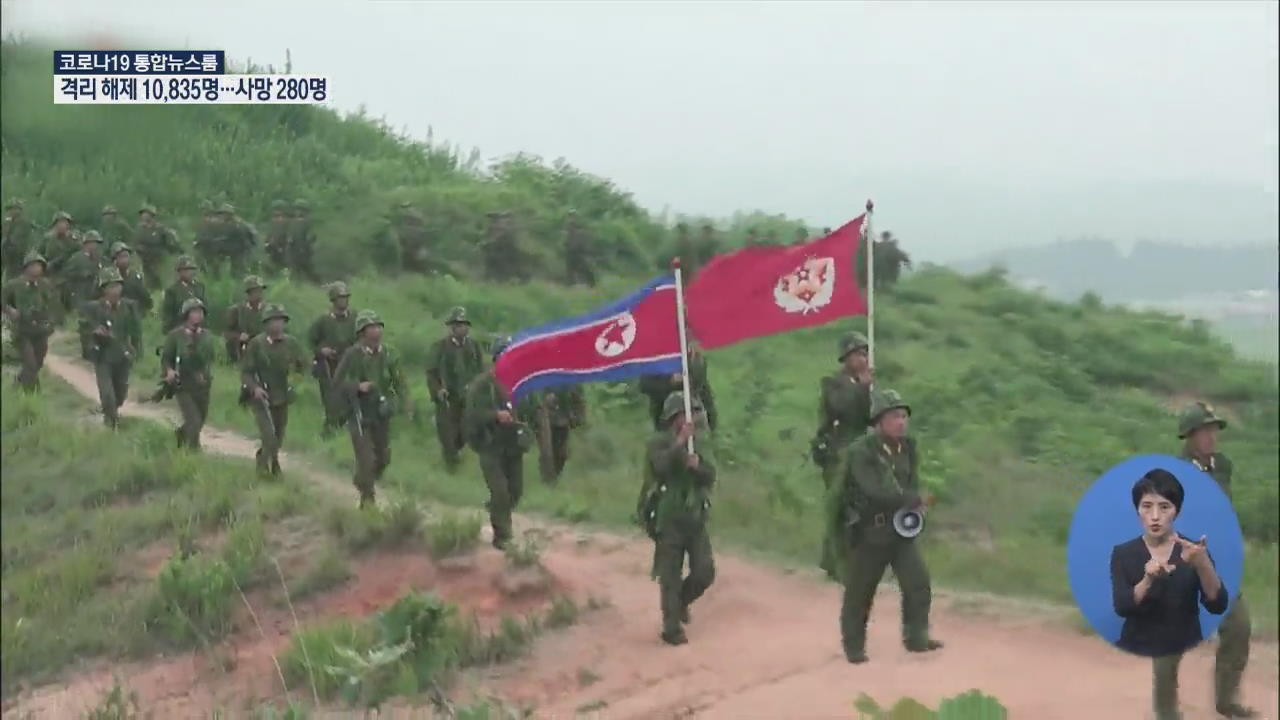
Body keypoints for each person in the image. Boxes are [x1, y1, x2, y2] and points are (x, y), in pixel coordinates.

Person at [1110, 468, 1229, 720]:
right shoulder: (1123, 553)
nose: (1155, 516)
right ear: (1137, 510)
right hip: (1138, 647)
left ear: (1177, 511)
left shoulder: (1194, 550)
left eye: (1164, 507)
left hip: (1184, 647)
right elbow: (1122, 606)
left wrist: (1203, 564)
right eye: (1146, 506)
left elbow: (1217, 605)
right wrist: (1148, 579)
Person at [836, 388, 942, 663]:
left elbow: (911, 482)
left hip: (900, 529)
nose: (901, 422)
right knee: (861, 590)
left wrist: (916, 506)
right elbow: (872, 491)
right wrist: (911, 499)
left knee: (918, 582)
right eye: (895, 416)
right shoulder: (862, 451)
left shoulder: (908, 447)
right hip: (870, 530)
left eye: (904, 416)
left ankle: (916, 637)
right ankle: (854, 647)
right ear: (879, 420)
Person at [1172, 402, 1255, 718]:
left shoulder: (1222, 466)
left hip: (1218, 563)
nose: (1211, 436)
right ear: (1189, 435)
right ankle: (1166, 709)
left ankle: (1227, 701)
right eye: (1204, 430)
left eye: (1213, 429)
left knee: (1238, 627)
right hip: (1183, 561)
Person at [638, 391, 716, 646]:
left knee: (704, 571)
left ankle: (681, 602)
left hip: (694, 516)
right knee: (669, 575)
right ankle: (671, 627)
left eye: (692, 413)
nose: (690, 418)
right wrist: (679, 444)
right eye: (685, 413)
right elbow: (659, 467)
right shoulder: (659, 443)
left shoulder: (699, 443)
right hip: (668, 517)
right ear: (673, 417)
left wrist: (698, 466)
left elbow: (710, 476)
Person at [464, 336, 536, 548]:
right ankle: (502, 536)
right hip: (490, 445)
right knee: (500, 491)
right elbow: (472, 414)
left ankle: (497, 510)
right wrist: (495, 415)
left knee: (516, 491)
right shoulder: (482, 385)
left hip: (513, 445)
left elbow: (532, 409)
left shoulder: (520, 383)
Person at [333, 310, 409, 508]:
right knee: (366, 459)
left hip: (381, 413)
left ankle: (363, 480)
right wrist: (357, 387)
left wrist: (405, 402)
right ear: (362, 333)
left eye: (378, 327)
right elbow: (337, 383)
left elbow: (399, 381)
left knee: (383, 457)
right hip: (359, 412)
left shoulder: (390, 353)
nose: (376, 332)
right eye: (370, 329)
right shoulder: (352, 355)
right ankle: (368, 502)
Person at [814, 332, 874, 581]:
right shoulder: (834, 384)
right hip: (837, 454)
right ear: (847, 358)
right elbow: (841, 408)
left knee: (860, 508)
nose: (864, 359)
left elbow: (870, 416)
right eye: (859, 354)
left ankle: (846, 561)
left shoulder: (865, 384)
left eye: (865, 354)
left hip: (860, 452)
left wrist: (869, 391)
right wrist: (862, 387)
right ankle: (836, 564)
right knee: (840, 508)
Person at [240, 303, 307, 477]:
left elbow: (303, 366)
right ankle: (265, 469)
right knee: (269, 435)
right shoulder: (257, 344)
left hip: (282, 396)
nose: (277, 325)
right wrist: (255, 388)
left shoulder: (291, 343)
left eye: (281, 321)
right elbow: (246, 372)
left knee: (279, 435)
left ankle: (271, 460)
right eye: (273, 321)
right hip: (261, 397)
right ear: (266, 323)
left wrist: (295, 383)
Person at [77, 267, 142, 429]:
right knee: (107, 394)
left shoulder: (129, 306)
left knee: (120, 393)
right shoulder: (93, 308)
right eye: (110, 286)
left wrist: (137, 350)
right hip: (103, 355)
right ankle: (111, 423)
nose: (115, 290)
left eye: (117, 285)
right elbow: (84, 328)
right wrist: (94, 332)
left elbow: (136, 331)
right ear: (103, 289)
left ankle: (112, 412)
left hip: (123, 355)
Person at [426, 306, 485, 472]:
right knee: (447, 435)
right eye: (457, 325)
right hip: (447, 398)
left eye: (464, 324)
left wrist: (478, 389)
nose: (461, 328)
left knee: (464, 434)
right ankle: (451, 469)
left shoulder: (474, 347)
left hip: (467, 398)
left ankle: (454, 459)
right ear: (451, 327)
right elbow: (431, 372)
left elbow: (481, 371)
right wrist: (437, 390)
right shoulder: (440, 347)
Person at [161, 298, 218, 450]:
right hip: (184, 384)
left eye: (200, 312)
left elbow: (210, 357)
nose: (198, 315)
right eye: (194, 312)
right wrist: (169, 371)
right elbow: (166, 358)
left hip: (203, 384)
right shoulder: (175, 336)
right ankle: (193, 451)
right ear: (186, 314)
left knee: (200, 420)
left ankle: (181, 435)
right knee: (194, 421)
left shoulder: (207, 336)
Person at [2, 251, 58, 392]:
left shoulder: (45, 285)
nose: (36, 269)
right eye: (33, 265)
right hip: (22, 329)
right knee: (30, 363)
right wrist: (10, 310)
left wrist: (51, 322)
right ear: (26, 267)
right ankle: (30, 394)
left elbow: (53, 304)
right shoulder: (14, 285)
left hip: (40, 330)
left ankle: (20, 380)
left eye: (39, 266)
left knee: (38, 362)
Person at [307, 281, 357, 436]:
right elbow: (310, 341)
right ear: (334, 300)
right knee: (331, 399)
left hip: (349, 364)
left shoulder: (355, 318)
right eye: (340, 298)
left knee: (350, 398)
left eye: (346, 297)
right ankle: (329, 431)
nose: (344, 301)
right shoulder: (323, 320)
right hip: (328, 365)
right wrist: (321, 350)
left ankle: (346, 428)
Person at [639, 343, 717, 432]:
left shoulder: (692, 354)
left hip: (695, 408)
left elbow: (700, 383)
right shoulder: (655, 357)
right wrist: (670, 382)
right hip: (665, 411)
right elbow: (645, 386)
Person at [536, 384, 586, 484]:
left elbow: (579, 401)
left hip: (563, 421)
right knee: (548, 451)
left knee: (562, 454)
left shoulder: (572, 383)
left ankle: (556, 474)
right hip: (547, 422)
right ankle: (548, 478)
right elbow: (539, 400)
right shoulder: (546, 381)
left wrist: (577, 417)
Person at [133, 204, 181, 290]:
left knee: (162, 279)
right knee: (149, 281)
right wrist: (138, 249)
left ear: (151, 215)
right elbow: (135, 242)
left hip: (159, 258)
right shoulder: (139, 228)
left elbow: (169, 242)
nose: (144, 216)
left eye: (146, 214)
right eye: (142, 214)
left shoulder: (160, 228)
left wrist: (174, 250)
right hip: (145, 259)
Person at [224, 275, 268, 363]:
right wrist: (239, 336)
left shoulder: (268, 310)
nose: (259, 294)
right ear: (248, 293)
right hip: (244, 346)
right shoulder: (236, 310)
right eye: (256, 291)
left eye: (260, 290)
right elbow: (227, 333)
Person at [61, 230, 106, 312]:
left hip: (94, 293)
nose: (96, 246)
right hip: (79, 293)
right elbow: (66, 274)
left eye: (97, 244)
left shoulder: (99, 259)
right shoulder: (76, 258)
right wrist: (81, 274)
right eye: (94, 243)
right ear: (87, 244)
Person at [160, 256, 207, 332]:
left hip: (199, 330)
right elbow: (168, 315)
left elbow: (205, 309)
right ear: (179, 272)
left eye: (192, 269)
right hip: (180, 330)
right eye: (186, 270)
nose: (190, 272)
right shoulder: (172, 290)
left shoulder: (200, 287)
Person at [109, 242, 152, 315]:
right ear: (114, 260)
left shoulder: (135, 277)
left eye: (126, 256)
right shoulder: (109, 278)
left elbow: (147, 301)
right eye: (121, 257)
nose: (125, 260)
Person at [2, 199, 39, 279]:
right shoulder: (10, 221)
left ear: (19, 210)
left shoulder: (23, 222)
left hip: (20, 256)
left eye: (13, 209)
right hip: (11, 257)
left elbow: (14, 240)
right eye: (9, 209)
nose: (10, 211)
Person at [40, 210, 82, 276]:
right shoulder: (47, 238)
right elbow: (39, 253)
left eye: (65, 223)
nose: (62, 225)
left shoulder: (74, 238)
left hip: (70, 271)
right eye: (60, 222)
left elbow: (81, 253)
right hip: (51, 272)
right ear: (55, 224)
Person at [564, 210, 597, 286]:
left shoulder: (579, 227)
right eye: (570, 216)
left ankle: (592, 284)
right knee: (570, 269)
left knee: (585, 268)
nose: (571, 218)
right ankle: (570, 285)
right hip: (570, 252)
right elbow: (566, 240)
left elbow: (584, 239)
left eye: (573, 216)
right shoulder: (568, 228)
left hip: (579, 252)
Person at [286, 199, 316, 281]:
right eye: (297, 209)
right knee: (294, 271)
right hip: (294, 251)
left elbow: (312, 236)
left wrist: (307, 245)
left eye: (300, 209)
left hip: (305, 251)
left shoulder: (309, 222)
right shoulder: (292, 222)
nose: (298, 211)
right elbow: (289, 236)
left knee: (308, 271)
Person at [263, 199, 291, 275]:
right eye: (276, 216)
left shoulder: (291, 232)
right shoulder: (269, 232)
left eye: (283, 216)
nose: (280, 219)